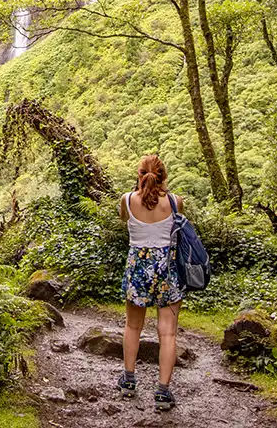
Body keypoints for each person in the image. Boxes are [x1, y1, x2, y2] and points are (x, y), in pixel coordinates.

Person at [115, 154, 184, 411]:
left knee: (133, 326)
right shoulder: (176, 202)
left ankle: (128, 381)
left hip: (138, 267)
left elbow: (126, 220)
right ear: (164, 177)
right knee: (167, 332)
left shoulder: (126, 200)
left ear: (139, 175)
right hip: (167, 269)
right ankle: (163, 393)